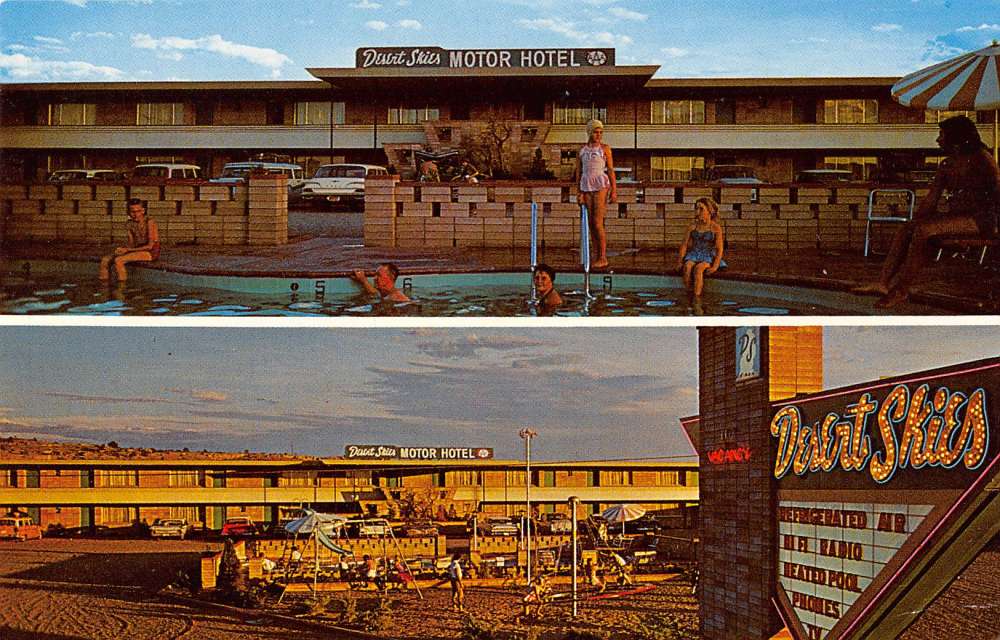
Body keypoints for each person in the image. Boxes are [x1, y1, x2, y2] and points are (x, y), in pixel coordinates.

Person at [854, 115, 1000, 307]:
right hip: (957, 217)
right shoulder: (947, 165)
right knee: (908, 228)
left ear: (956, 138)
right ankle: (882, 283)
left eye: (942, 135)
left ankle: (901, 290)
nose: (938, 140)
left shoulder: (983, 160)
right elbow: (932, 198)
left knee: (924, 232)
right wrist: (916, 221)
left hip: (982, 219)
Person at [574, 118, 617, 269]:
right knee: (591, 224)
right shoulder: (582, 150)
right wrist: (578, 192)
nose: (598, 135)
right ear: (590, 133)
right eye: (596, 132)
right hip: (586, 185)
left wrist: (614, 190)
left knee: (598, 223)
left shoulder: (605, 149)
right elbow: (578, 171)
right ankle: (595, 254)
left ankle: (603, 256)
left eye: (600, 132)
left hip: (600, 185)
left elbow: (610, 170)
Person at [98, 198, 160, 282]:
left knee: (119, 260)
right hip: (137, 249)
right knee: (105, 260)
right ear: (128, 213)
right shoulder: (129, 224)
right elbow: (131, 244)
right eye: (133, 212)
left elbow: (150, 246)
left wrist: (128, 250)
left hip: (151, 252)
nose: (135, 215)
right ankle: (104, 289)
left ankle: (121, 290)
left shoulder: (150, 222)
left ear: (143, 211)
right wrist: (122, 250)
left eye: (138, 211)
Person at [676, 197, 726, 299]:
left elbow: (719, 248)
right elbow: (684, 245)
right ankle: (688, 292)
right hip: (694, 253)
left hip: (708, 255)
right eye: (696, 208)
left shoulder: (715, 228)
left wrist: (715, 266)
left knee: (698, 269)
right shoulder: (693, 226)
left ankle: (696, 296)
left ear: (709, 211)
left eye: (701, 209)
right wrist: (680, 262)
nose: (697, 211)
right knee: (687, 266)